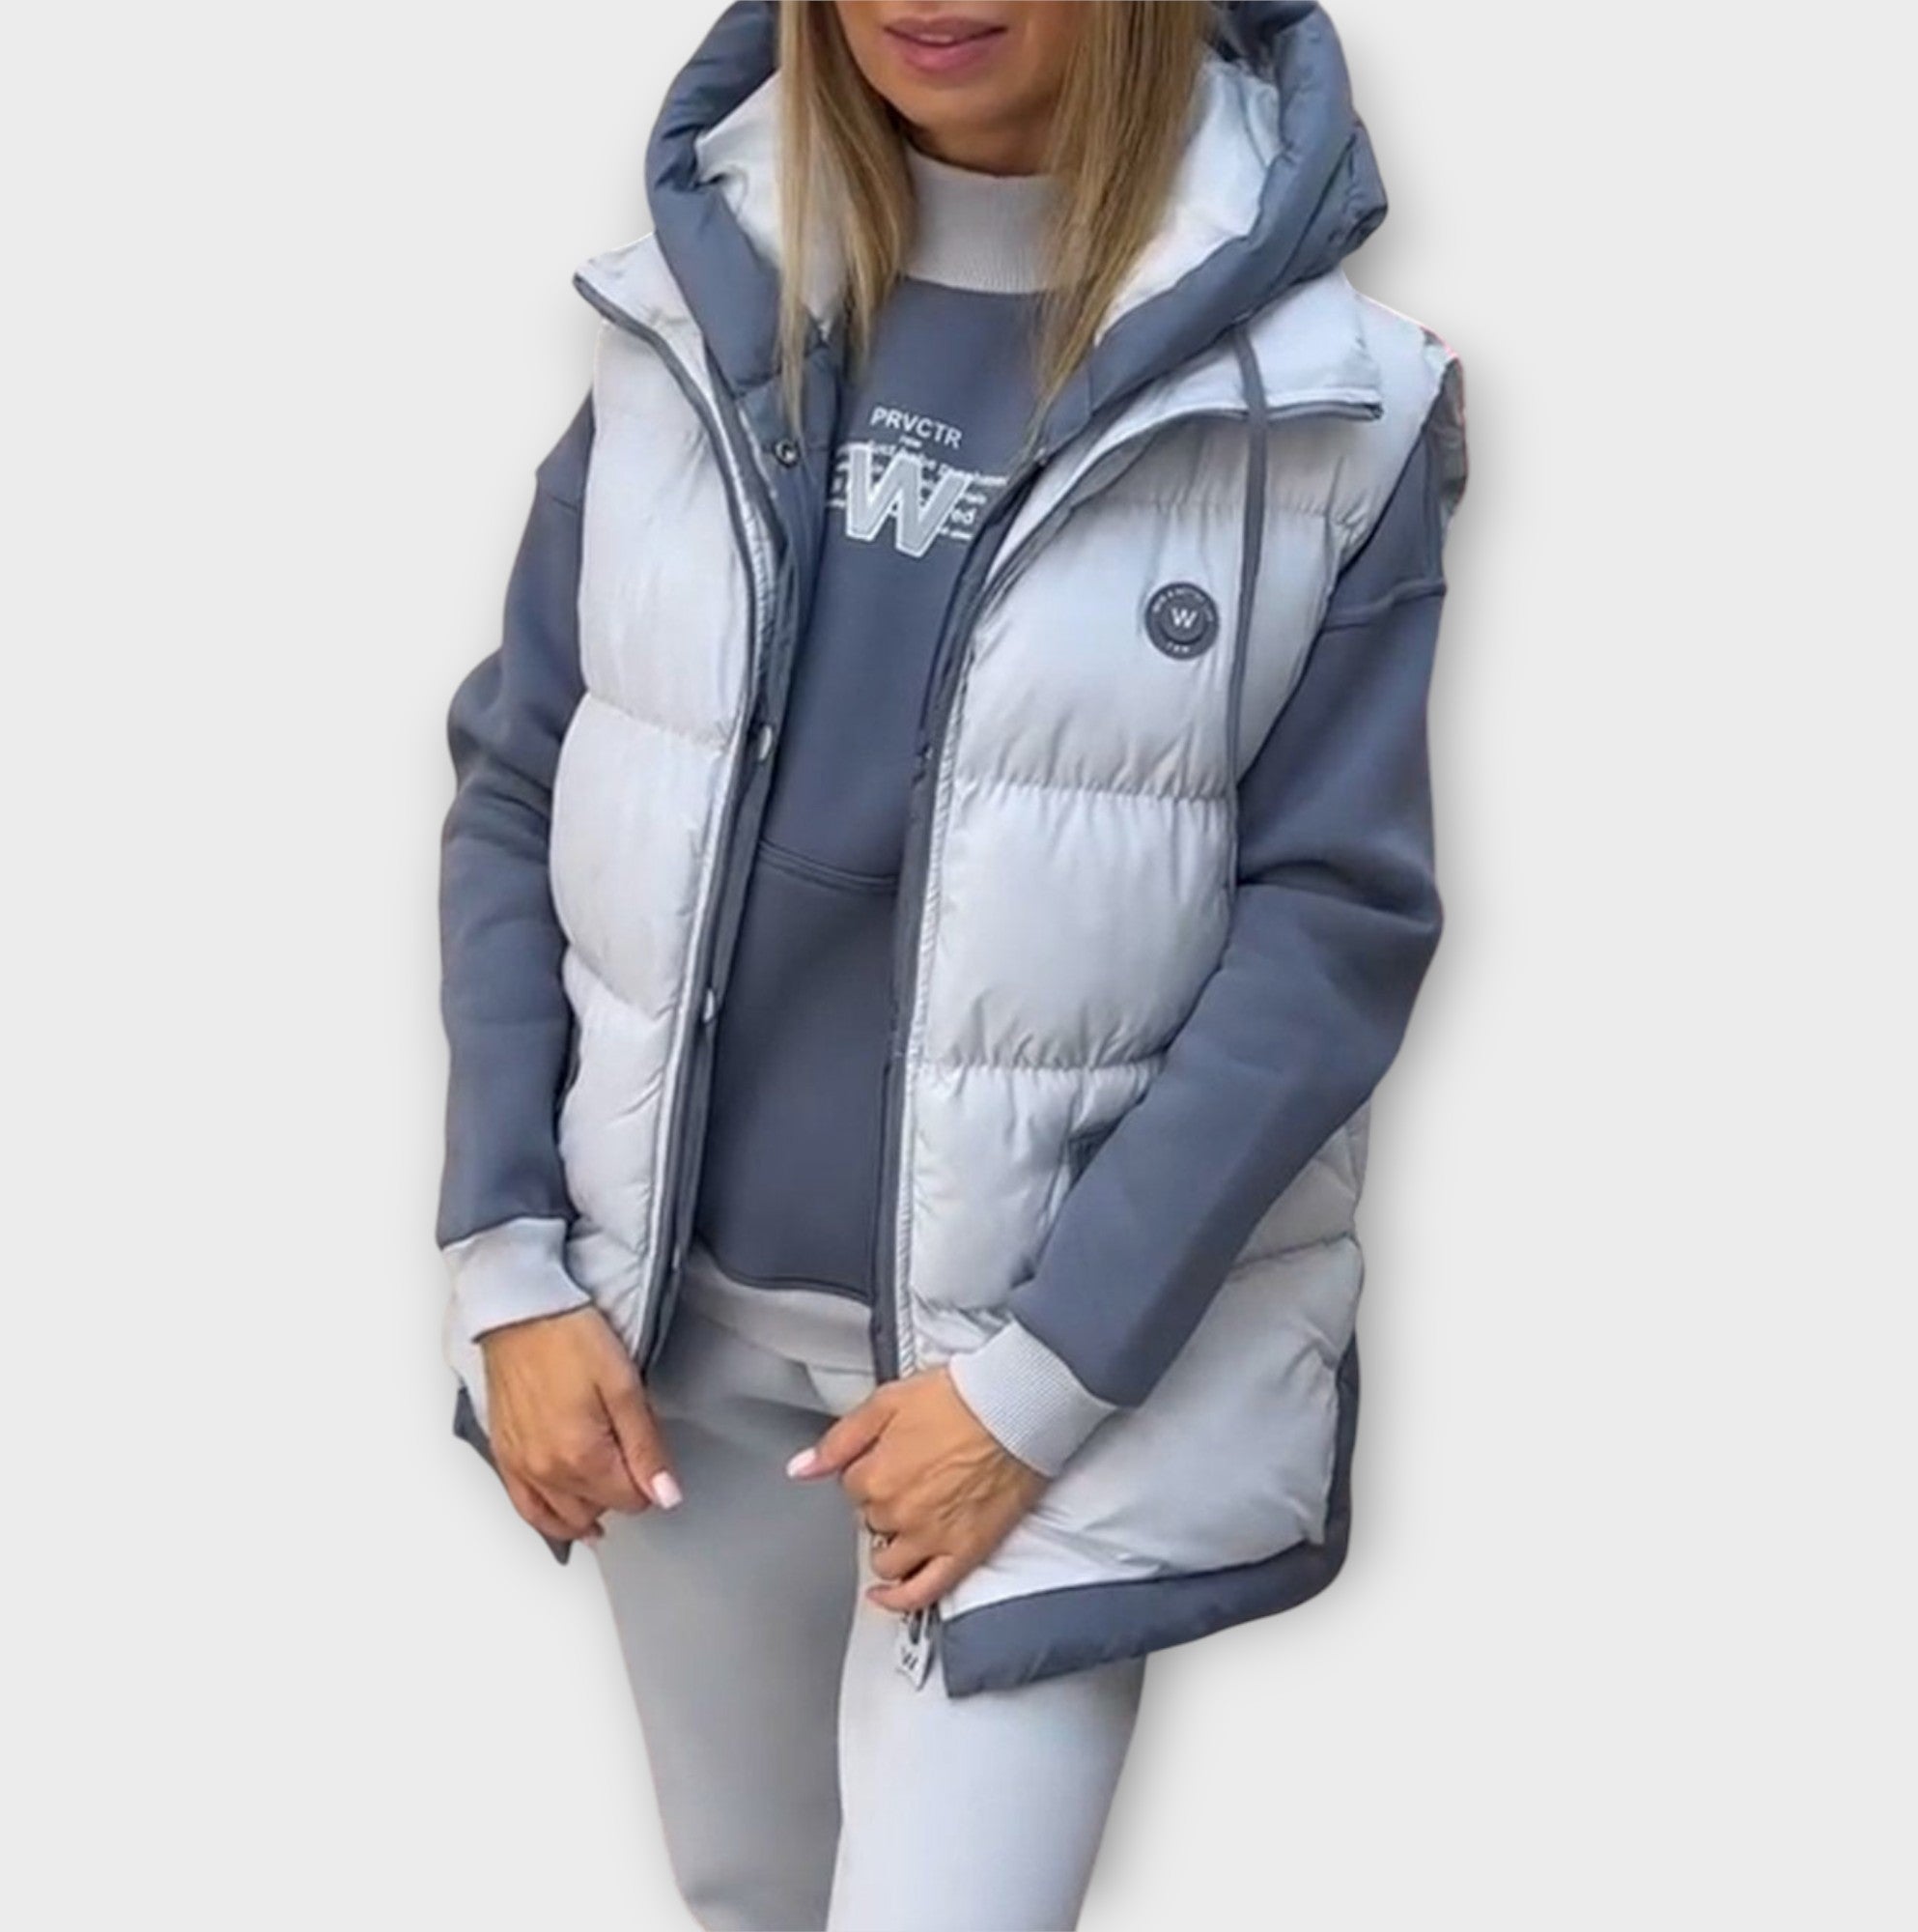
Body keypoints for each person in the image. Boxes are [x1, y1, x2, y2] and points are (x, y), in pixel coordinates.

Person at [434, 3, 1468, 1927]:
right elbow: (519, 778)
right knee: (753, 1899)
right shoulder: (686, 316)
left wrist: (1037, 1390)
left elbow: (1332, 929)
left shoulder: (1335, 403)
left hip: (1045, 1379)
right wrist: (505, 1261)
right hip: (671, 1343)